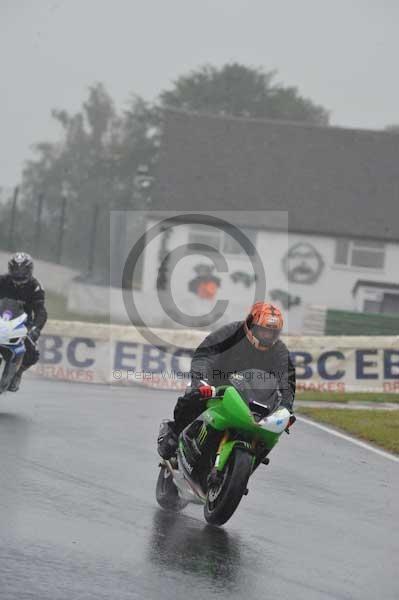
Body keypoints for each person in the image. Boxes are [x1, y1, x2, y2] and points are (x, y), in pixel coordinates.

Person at [158, 301, 296, 459]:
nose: (268, 337)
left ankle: (249, 459)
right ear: (251, 325)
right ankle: (173, 434)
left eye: (272, 333)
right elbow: (206, 353)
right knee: (192, 399)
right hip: (218, 384)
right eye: (264, 332)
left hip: (253, 397)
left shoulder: (279, 350)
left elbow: (287, 381)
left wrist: (286, 406)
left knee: (272, 428)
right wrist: (201, 379)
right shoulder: (231, 333)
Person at [0, 252, 47, 392]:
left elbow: (41, 311)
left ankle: (18, 373)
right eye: (15, 269)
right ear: (10, 269)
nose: (19, 274)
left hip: (22, 324)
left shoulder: (35, 286)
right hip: (1, 319)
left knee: (32, 353)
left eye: (22, 270)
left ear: (29, 270)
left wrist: (36, 329)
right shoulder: (2, 281)